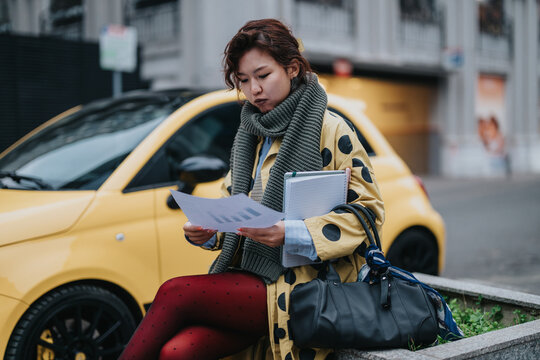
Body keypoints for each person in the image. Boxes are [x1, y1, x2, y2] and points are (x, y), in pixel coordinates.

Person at [119, 18, 384, 360]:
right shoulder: (251, 134)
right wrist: (210, 232)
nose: (253, 90)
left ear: (291, 69)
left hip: (303, 286)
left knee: (175, 292)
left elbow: (369, 215)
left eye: (262, 76)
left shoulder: (331, 129)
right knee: (176, 352)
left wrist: (290, 232)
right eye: (243, 81)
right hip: (247, 277)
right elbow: (237, 209)